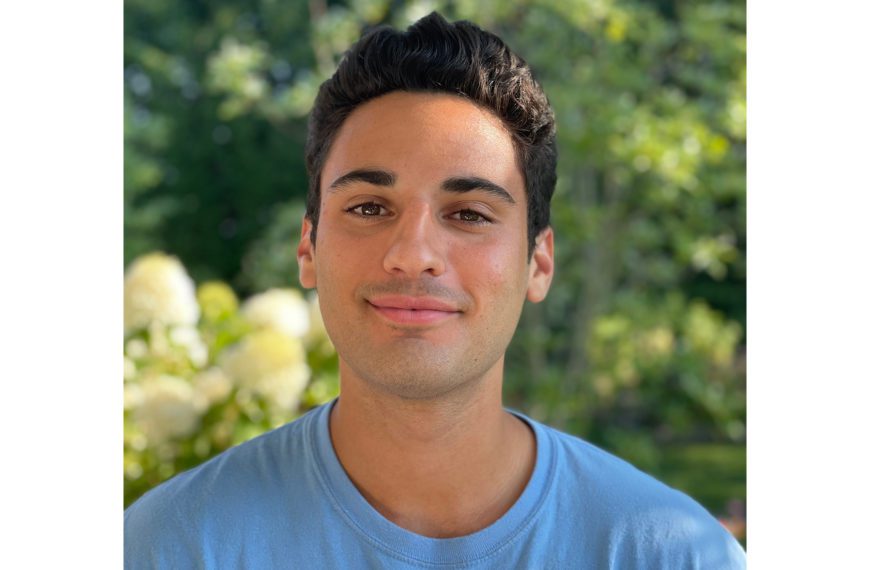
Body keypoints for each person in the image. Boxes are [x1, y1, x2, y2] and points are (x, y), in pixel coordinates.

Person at [124, 12, 746, 569]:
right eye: (369, 207)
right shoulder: (169, 548)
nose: (414, 254)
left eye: (470, 213)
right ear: (308, 248)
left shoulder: (672, 555)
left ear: (538, 262)